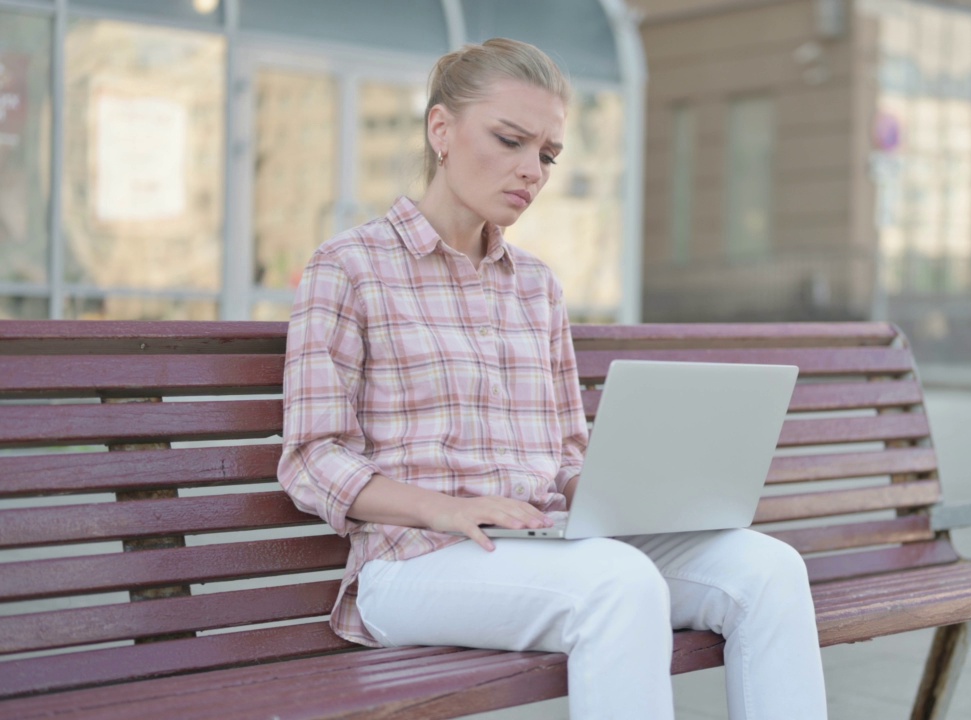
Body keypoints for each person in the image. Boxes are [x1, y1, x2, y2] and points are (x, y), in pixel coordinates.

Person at [278, 37, 828, 720]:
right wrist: (441, 507)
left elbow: (567, 452)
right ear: (440, 129)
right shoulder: (348, 267)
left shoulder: (536, 286)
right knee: (616, 583)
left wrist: (632, 495)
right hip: (413, 560)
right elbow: (310, 458)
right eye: (509, 140)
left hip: (546, 547)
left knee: (766, 568)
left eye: (546, 154)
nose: (531, 171)